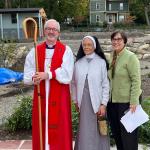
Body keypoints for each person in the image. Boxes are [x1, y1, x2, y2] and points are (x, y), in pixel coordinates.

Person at [24, 19, 74, 150]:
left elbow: (67, 74)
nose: (51, 31)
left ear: (58, 32)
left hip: (59, 99)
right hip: (41, 99)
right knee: (41, 130)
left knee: (60, 130)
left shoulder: (66, 50)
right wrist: (35, 78)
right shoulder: (34, 51)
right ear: (43, 31)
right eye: (48, 28)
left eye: (54, 29)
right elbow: (27, 77)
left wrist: (48, 74)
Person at [71, 35, 110, 150]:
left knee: (99, 128)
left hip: (98, 102)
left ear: (94, 46)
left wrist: (104, 104)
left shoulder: (101, 62)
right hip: (83, 102)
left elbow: (105, 84)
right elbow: (73, 83)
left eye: (89, 45)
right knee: (85, 128)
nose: (86, 47)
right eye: (84, 45)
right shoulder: (78, 63)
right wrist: (75, 100)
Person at [107, 30, 142, 150]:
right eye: (114, 39)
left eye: (119, 39)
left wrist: (134, 101)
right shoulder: (112, 56)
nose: (116, 42)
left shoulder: (130, 57)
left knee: (129, 136)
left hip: (127, 103)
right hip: (113, 102)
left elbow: (136, 80)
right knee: (117, 134)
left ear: (124, 41)